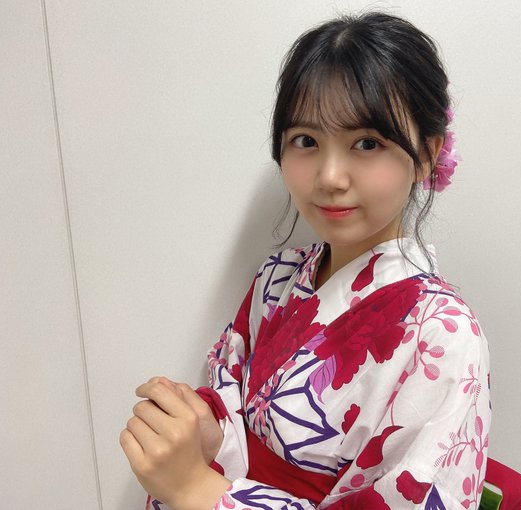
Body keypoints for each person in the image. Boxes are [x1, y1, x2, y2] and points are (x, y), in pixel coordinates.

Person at [120, 11, 491, 510]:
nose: (330, 176)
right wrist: (208, 433)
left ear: (426, 154)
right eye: (306, 141)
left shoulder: (445, 335)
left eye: (367, 143)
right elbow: (237, 409)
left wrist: (195, 489)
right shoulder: (278, 276)